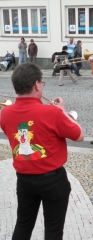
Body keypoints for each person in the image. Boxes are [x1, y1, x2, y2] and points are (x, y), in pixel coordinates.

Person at [0, 62, 84, 239]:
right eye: (42, 83)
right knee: (53, 231)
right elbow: (79, 135)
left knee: (23, 225)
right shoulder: (52, 113)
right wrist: (63, 112)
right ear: (37, 84)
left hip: (24, 180)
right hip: (53, 180)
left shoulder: (5, 113)